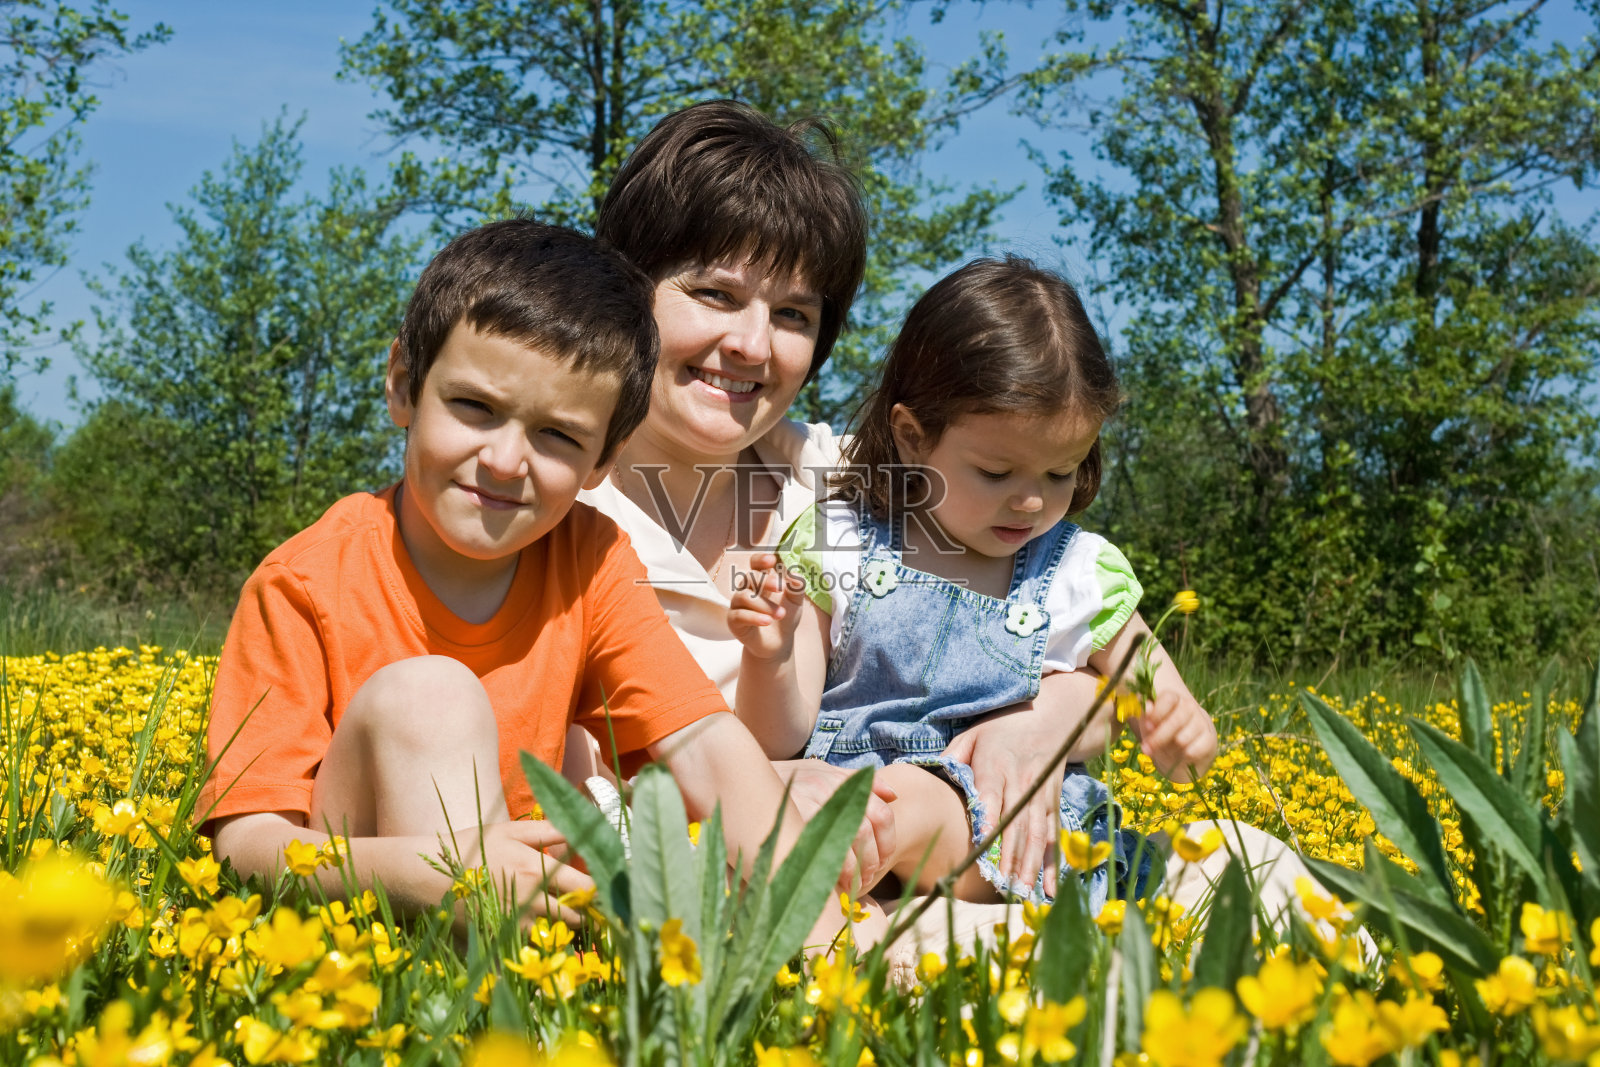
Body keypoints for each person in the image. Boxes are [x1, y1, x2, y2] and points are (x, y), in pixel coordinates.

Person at [200, 220, 817, 924]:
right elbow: (245, 843)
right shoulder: (306, 581)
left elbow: (706, 745)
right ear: (404, 385)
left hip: (537, 915)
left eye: (557, 435)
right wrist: (427, 870)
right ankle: (468, 992)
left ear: (601, 463)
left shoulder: (590, 561)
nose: (503, 460)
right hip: (362, 913)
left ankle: (511, 981)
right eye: (475, 408)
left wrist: (827, 930)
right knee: (428, 695)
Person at [578, 100, 1117, 897]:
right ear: (628, 290)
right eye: (716, 294)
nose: (754, 345)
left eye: (792, 313)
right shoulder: (551, 511)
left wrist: (1034, 726)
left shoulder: (855, 484)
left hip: (914, 860)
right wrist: (759, 801)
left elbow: (1068, 627)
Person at [731, 256, 1216, 915]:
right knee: (764, 787)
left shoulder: (1075, 574)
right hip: (838, 787)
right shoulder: (838, 540)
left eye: (1060, 472)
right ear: (910, 437)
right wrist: (771, 653)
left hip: (1006, 831)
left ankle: (849, 855)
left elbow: (1169, 724)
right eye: (995, 471)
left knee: (912, 797)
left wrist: (1183, 731)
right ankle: (851, 869)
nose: (1030, 502)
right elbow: (777, 736)